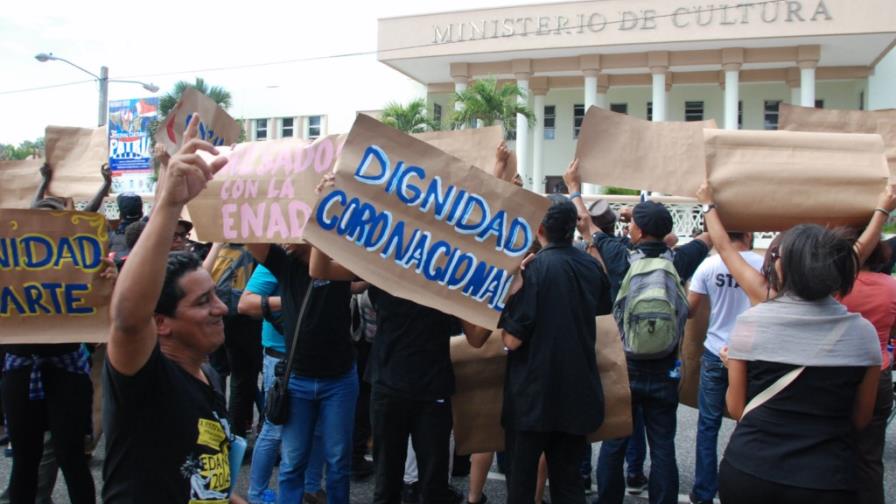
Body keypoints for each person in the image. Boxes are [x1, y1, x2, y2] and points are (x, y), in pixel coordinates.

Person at [697, 181, 895, 504]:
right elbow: (861, 420)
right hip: (827, 479)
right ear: (841, 271)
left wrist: (708, 205)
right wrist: (882, 209)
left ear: (783, 267)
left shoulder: (751, 323)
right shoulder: (863, 335)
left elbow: (736, 410)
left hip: (749, 471)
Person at [102, 114, 247, 503]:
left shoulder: (208, 377)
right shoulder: (146, 379)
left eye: (215, 295)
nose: (221, 309)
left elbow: (206, 482)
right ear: (160, 323)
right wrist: (170, 202)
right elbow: (129, 320)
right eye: (203, 302)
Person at [563, 160, 711, 504]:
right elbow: (710, 236)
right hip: (664, 370)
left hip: (625, 367)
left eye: (632, 224)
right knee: (663, 447)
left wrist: (574, 187)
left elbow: (585, 223)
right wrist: (709, 202)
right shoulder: (680, 259)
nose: (627, 227)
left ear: (640, 232)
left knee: (614, 443)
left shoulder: (617, 256)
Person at [1, 161, 115, 504]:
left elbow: (88, 221)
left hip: (65, 368)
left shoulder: (77, 257)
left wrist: (103, 188)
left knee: (71, 457)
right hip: (21, 369)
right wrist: (43, 184)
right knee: (25, 459)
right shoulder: (11, 260)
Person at [498, 193, 612, 504]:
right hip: (578, 393)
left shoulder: (532, 272)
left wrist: (508, 293)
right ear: (573, 228)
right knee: (569, 484)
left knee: (520, 486)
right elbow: (604, 309)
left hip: (531, 398)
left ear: (538, 229)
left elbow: (512, 340)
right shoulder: (591, 268)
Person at [245, 238, 357, 504]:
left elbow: (331, 271)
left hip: (339, 380)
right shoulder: (285, 263)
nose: (283, 239)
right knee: (292, 462)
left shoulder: (340, 260)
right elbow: (250, 235)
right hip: (297, 380)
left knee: (339, 461)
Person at [239, 260, 327, 504]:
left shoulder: (325, 261)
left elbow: (354, 285)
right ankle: (256, 495)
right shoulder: (278, 260)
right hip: (282, 357)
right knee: (275, 427)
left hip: (317, 355)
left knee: (317, 426)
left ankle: (311, 488)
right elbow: (245, 304)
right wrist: (292, 299)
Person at [686, 232, 762, 504]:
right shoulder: (762, 265)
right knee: (751, 424)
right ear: (749, 234)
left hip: (716, 350)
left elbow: (690, 310)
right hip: (752, 353)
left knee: (708, 424)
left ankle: (704, 491)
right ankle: (746, 487)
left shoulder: (710, 265)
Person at [839, 239, 896, 504]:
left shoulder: (836, 286)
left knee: (831, 450)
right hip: (879, 374)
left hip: (836, 376)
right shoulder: (892, 287)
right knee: (870, 458)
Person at [204, 243, 262, 439]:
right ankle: (238, 432)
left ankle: (225, 428)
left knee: (227, 374)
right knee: (244, 377)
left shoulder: (217, 243)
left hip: (223, 315)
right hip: (243, 317)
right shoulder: (251, 243)